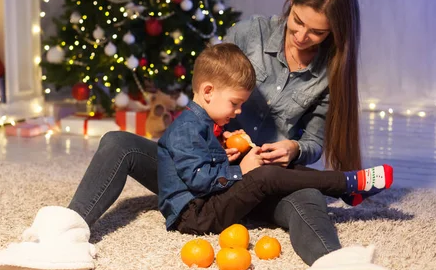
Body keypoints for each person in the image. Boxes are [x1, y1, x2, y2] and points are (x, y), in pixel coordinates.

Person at [0, 0, 405, 270]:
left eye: (316, 32)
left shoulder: (331, 70)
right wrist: (218, 143)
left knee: (306, 194)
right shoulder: (250, 33)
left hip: (263, 177)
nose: (301, 36)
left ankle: (334, 267)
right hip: (208, 169)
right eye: (297, 22)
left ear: (336, 32)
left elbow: (313, 142)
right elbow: (211, 83)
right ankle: (62, 240)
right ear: (291, 2)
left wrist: (293, 148)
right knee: (117, 143)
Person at [158, 42, 392, 236]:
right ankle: (346, 183)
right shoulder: (186, 128)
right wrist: (241, 170)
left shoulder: (203, 123)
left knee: (271, 163)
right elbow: (199, 180)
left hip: (208, 203)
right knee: (263, 176)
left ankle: (346, 188)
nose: (238, 112)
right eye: (235, 103)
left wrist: (224, 154)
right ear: (208, 92)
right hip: (195, 216)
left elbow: (201, 163)